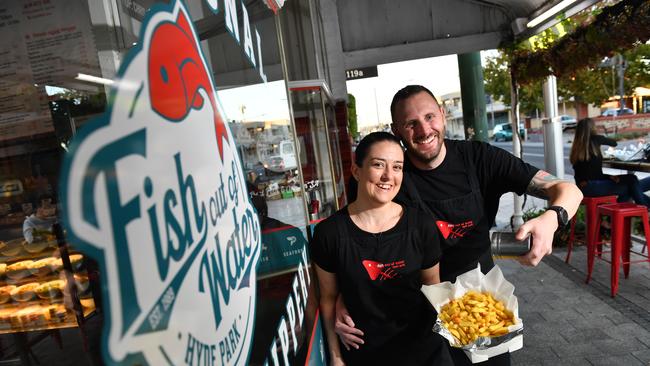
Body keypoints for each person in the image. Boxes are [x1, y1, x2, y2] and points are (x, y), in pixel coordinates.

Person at [337, 85, 583, 366]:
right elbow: (355, 236)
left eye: (430, 117)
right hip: (414, 311)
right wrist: (343, 296)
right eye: (411, 124)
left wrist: (551, 219)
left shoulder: (480, 158)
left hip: (481, 305)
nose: (424, 130)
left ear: (442, 114)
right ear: (397, 130)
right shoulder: (390, 176)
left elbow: (566, 189)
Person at [310, 132, 453, 365]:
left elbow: (433, 287)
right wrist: (336, 358)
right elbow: (327, 298)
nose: (389, 176)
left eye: (397, 167)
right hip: (365, 355)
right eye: (378, 165)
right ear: (356, 171)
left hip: (425, 352)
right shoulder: (330, 234)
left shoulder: (421, 225)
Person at [570, 117, 650, 208]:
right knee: (631, 182)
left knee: (631, 182)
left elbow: (592, 174)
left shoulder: (576, 148)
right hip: (592, 187)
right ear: (592, 129)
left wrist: (610, 177)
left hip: (583, 187)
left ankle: (610, 219)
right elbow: (613, 143)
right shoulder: (596, 139)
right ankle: (644, 209)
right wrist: (600, 137)